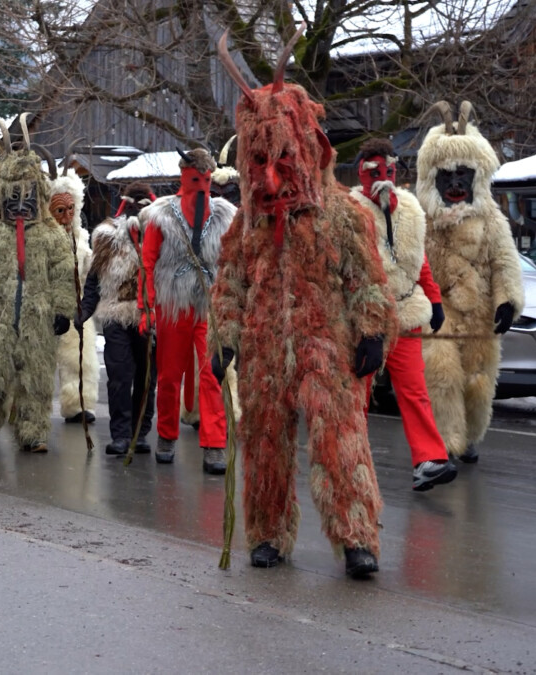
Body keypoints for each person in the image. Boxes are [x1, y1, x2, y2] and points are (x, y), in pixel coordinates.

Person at [212, 27, 398, 577]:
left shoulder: (342, 213)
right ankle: (267, 534)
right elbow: (230, 286)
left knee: (341, 443)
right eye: (260, 160)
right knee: (264, 444)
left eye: (282, 158)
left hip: (326, 346)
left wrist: (370, 330)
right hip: (264, 348)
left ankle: (357, 537)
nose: (271, 175)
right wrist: (223, 341)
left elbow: (367, 279)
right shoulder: (247, 225)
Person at [416, 101, 525, 464]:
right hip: (439, 311)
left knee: (479, 382)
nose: (457, 183)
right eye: (448, 176)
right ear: (434, 178)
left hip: (479, 315)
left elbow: (505, 260)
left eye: (464, 174)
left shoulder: (492, 218)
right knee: (441, 373)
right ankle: (446, 441)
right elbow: (411, 264)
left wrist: (507, 301)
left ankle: (472, 435)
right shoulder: (422, 220)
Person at [0, 117, 77, 453]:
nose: (20, 205)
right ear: (2, 198)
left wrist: (62, 310)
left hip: (37, 317)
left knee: (36, 376)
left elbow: (63, 271)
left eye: (27, 197)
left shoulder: (49, 233)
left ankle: (33, 431)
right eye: (14, 197)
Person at [348, 137, 458, 490]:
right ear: (362, 173)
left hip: (406, 310)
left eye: (389, 170)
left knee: (413, 389)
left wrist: (435, 299)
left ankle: (429, 459)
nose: (383, 177)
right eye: (374, 171)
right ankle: (351, 464)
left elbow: (418, 261)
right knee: (357, 394)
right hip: (363, 318)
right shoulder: (349, 212)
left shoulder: (410, 209)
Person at [140, 148, 236, 473]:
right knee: (169, 376)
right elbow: (148, 261)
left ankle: (214, 443)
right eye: (195, 179)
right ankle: (166, 435)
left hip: (209, 306)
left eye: (207, 180)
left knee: (212, 373)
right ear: (184, 177)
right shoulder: (161, 215)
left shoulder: (225, 216)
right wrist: (146, 308)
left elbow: (234, 265)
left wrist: (230, 309)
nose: (202, 187)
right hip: (173, 305)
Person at [79, 181, 158, 456]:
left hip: (151, 317)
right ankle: (121, 434)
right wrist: (83, 312)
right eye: (133, 202)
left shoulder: (161, 234)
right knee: (120, 376)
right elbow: (93, 281)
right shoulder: (107, 237)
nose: (138, 208)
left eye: (143, 203)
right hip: (115, 313)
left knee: (147, 377)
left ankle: (140, 431)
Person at [44, 159, 99, 425]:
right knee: (38, 364)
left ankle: (79, 405)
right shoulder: (40, 239)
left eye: (70, 210)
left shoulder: (81, 239)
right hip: (45, 306)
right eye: (59, 210)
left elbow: (89, 269)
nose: (65, 217)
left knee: (81, 360)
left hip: (76, 307)